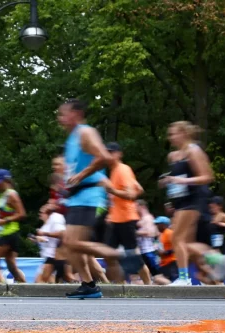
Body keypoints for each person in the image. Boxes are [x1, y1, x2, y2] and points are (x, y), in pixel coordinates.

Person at [55, 98, 116, 298]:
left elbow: (104, 157)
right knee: (69, 244)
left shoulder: (85, 132)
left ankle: (113, 253)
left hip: (89, 195)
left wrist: (81, 176)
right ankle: (89, 284)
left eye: (64, 113)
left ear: (76, 114)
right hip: (77, 196)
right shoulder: (72, 137)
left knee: (71, 242)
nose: (60, 118)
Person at [160, 121, 225, 286]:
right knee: (187, 245)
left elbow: (207, 177)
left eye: (174, 133)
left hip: (195, 200)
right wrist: (169, 184)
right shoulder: (173, 156)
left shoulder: (193, 151)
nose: (171, 137)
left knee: (176, 237)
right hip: (181, 201)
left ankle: (184, 278)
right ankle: (217, 273)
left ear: (184, 133)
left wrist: (181, 181)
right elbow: (178, 180)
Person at [100, 143, 148, 283]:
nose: (107, 155)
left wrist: (112, 191)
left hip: (126, 219)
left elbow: (132, 194)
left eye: (111, 152)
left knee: (132, 255)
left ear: (118, 154)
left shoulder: (122, 170)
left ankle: (149, 286)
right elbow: (139, 189)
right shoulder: (115, 170)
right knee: (108, 254)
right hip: (116, 220)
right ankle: (121, 286)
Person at [0, 169, 27, 283]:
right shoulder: (4, 195)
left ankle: (3, 287)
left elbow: (22, 214)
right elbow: (6, 211)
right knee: (11, 265)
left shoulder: (12, 194)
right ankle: (26, 288)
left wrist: (5, 220)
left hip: (8, 234)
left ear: (5, 180)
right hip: (8, 233)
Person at [35, 204, 67, 283]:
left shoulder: (56, 219)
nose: (39, 214)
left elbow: (61, 234)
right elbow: (47, 240)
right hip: (50, 256)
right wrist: (37, 240)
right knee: (44, 280)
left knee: (66, 277)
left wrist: (44, 234)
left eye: (41, 212)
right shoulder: (47, 224)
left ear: (48, 213)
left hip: (56, 255)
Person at [136, 200, 161, 282]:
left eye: (136, 206)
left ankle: (174, 291)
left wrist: (133, 232)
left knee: (157, 276)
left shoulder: (148, 218)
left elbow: (151, 233)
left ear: (142, 206)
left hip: (148, 251)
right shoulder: (142, 219)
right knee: (147, 277)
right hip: (143, 251)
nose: (134, 209)